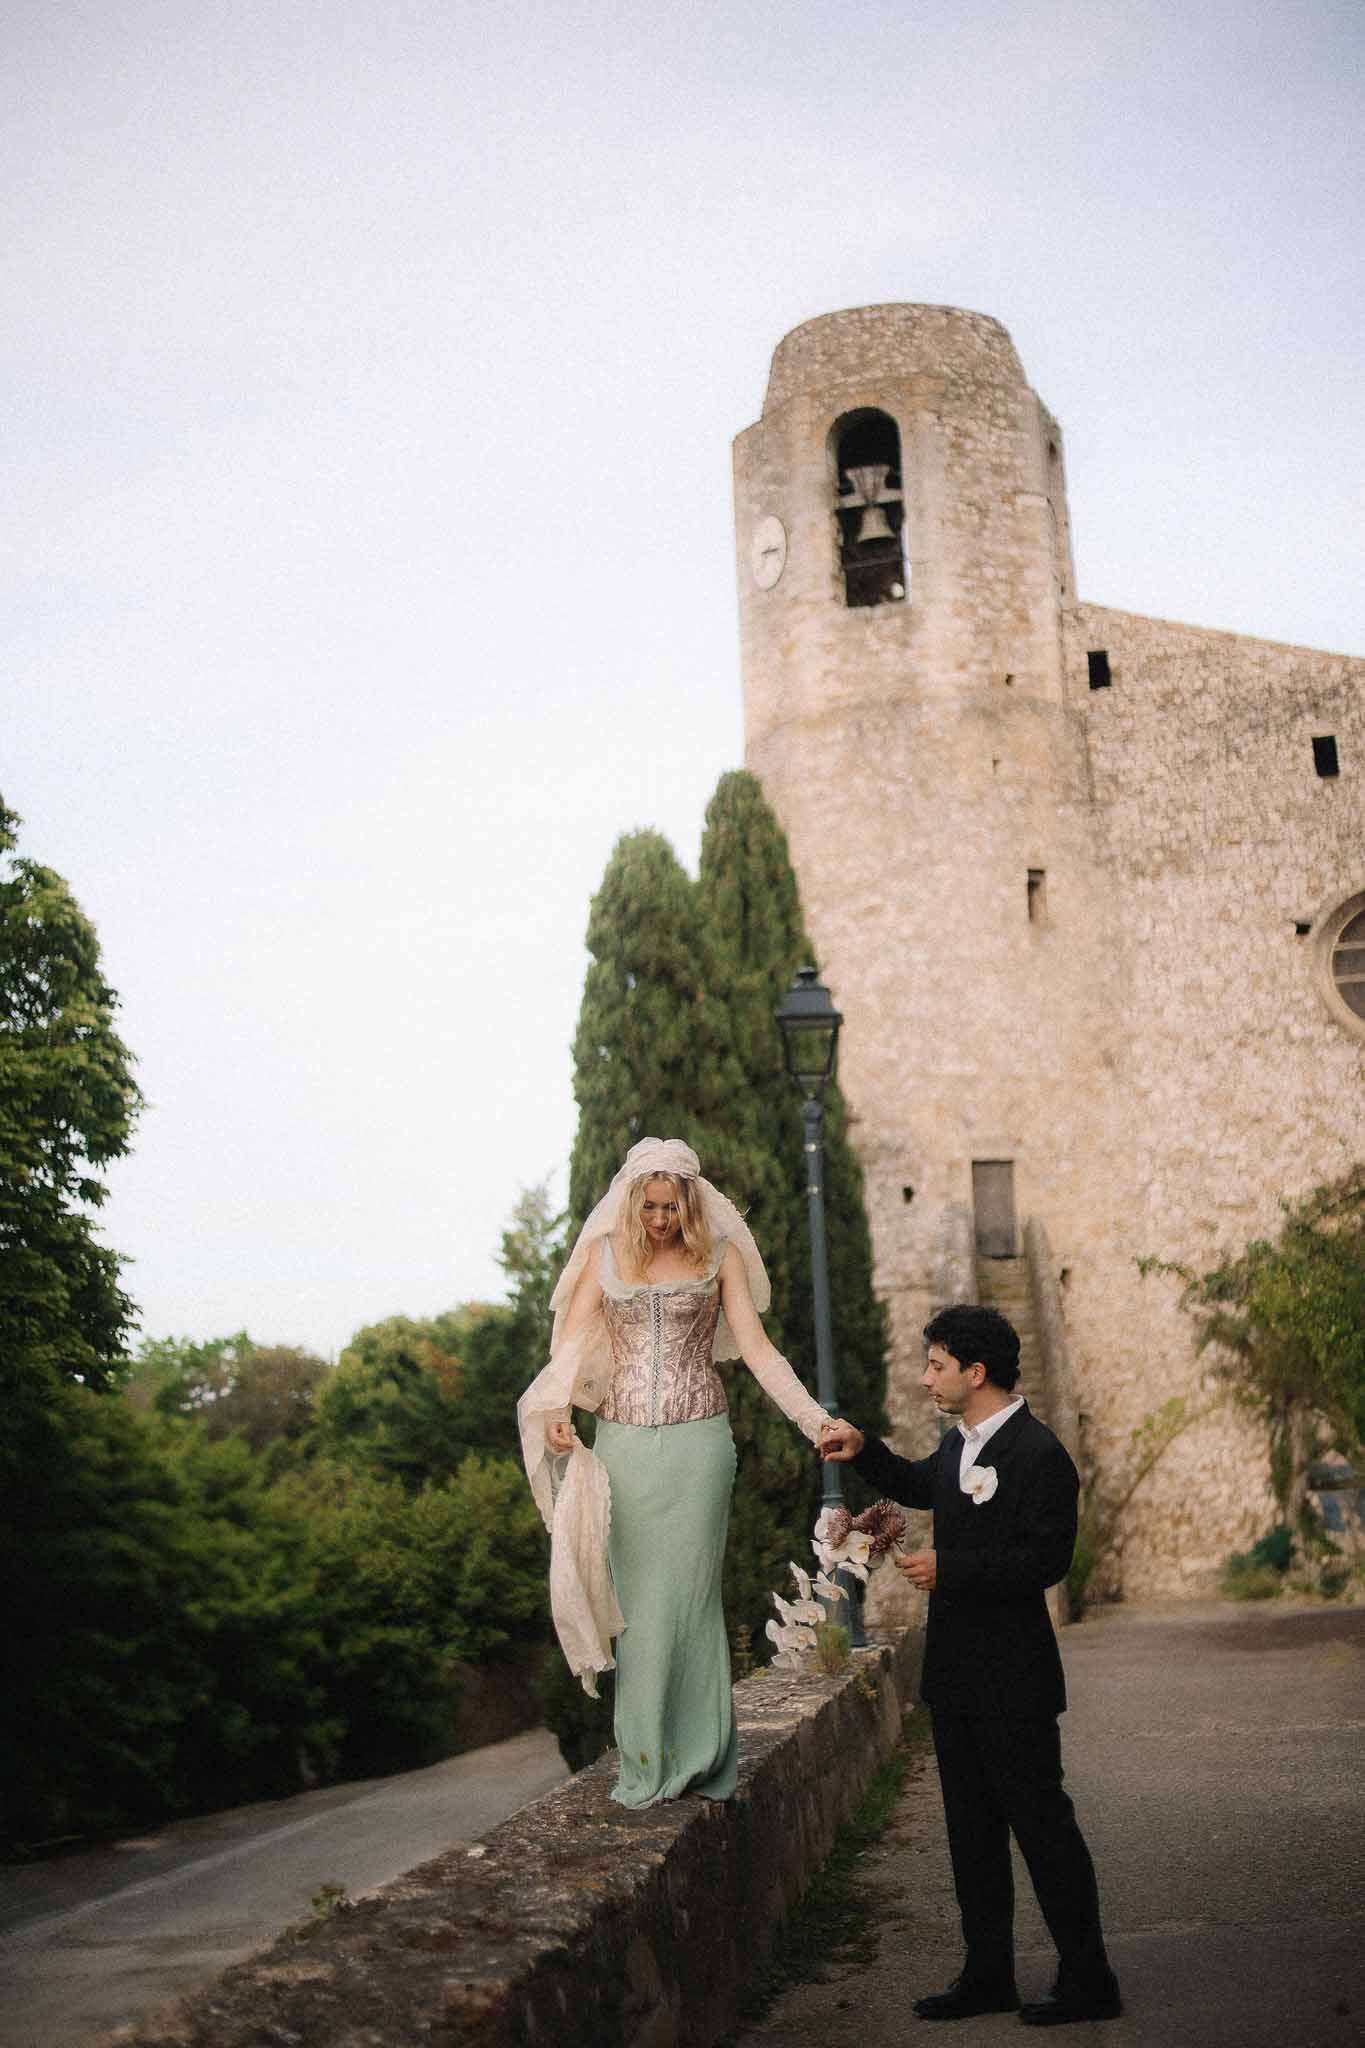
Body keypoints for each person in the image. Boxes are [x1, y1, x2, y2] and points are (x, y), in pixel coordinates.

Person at [821, 1303, 1121, 2027]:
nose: (926, 1376)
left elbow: (1045, 1562)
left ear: (974, 1372)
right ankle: (987, 1974)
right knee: (971, 1836)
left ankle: (1089, 1979)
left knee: (1042, 1829)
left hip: (1014, 1680)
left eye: (935, 1364)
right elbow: (920, 1487)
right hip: (954, 1677)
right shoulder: (959, 1445)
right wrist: (862, 1447)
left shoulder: (1039, 1455)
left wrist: (949, 1567)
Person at [517, 1136, 831, 1808]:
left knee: (690, 1602)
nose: (659, 1220)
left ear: (689, 1203)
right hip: (624, 1446)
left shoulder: (717, 1259)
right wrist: (557, 1411)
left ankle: (703, 1760)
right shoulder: (604, 1256)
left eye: (669, 1207)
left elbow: (757, 1349)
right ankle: (644, 1759)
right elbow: (567, 1349)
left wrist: (816, 1422)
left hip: (699, 1449)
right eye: (649, 1207)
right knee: (637, 1607)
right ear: (631, 1203)